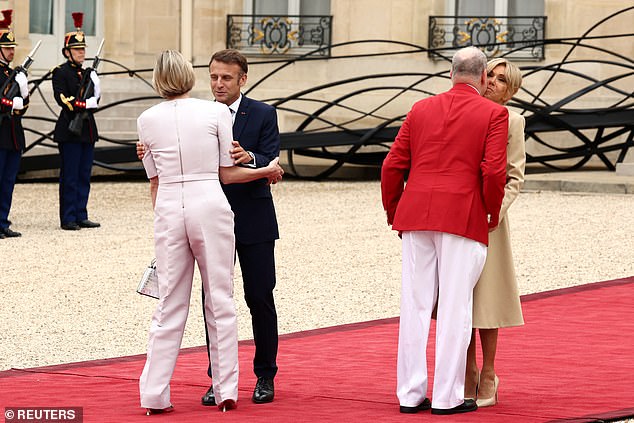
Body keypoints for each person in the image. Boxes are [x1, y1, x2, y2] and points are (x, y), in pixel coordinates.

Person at [137, 50, 283, 415]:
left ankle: (154, 394)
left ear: (158, 79)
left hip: (170, 207)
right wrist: (267, 170)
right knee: (220, 298)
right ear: (190, 76)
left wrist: (163, 221)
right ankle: (226, 389)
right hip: (210, 203)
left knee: (169, 304)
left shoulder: (146, 119)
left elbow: (154, 180)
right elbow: (227, 173)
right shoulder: (214, 112)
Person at [381, 46, 508, 415]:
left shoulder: (420, 109)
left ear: (450, 74)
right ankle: (447, 396)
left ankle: (409, 393)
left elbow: (392, 165)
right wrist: (491, 211)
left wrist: (394, 211)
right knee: (456, 306)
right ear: (483, 78)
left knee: (415, 306)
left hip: (416, 214)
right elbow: (494, 171)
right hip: (463, 217)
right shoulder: (494, 112)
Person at [465, 57, 526, 407]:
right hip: (457, 216)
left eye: (501, 80)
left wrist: (492, 213)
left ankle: (488, 372)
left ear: (510, 92)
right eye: (490, 75)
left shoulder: (513, 121)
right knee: (461, 298)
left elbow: (515, 177)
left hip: (490, 220)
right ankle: (467, 370)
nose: (491, 82)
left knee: (487, 297)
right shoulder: (466, 111)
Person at [51, 12, 101, 231]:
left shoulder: (87, 74)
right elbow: (63, 99)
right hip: (70, 129)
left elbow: (95, 98)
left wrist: (95, 90)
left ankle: (81, 213)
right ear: (67, 52)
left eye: (83, 49)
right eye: (78, 50)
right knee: (70, 176)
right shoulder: (60, 73)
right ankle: (68, 217)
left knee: (83, 175)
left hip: (87, 129)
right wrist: (84, 104)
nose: (82, 53)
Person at [0, 9, 28, 239]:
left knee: (8, 180)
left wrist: (24, 90)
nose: (11, 51)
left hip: (13, 134)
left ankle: (2, 221)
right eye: (7, 48)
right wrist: (10, 103)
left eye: (13, 48)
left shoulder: (14, 74)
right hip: (0, 134)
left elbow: (23, 107)